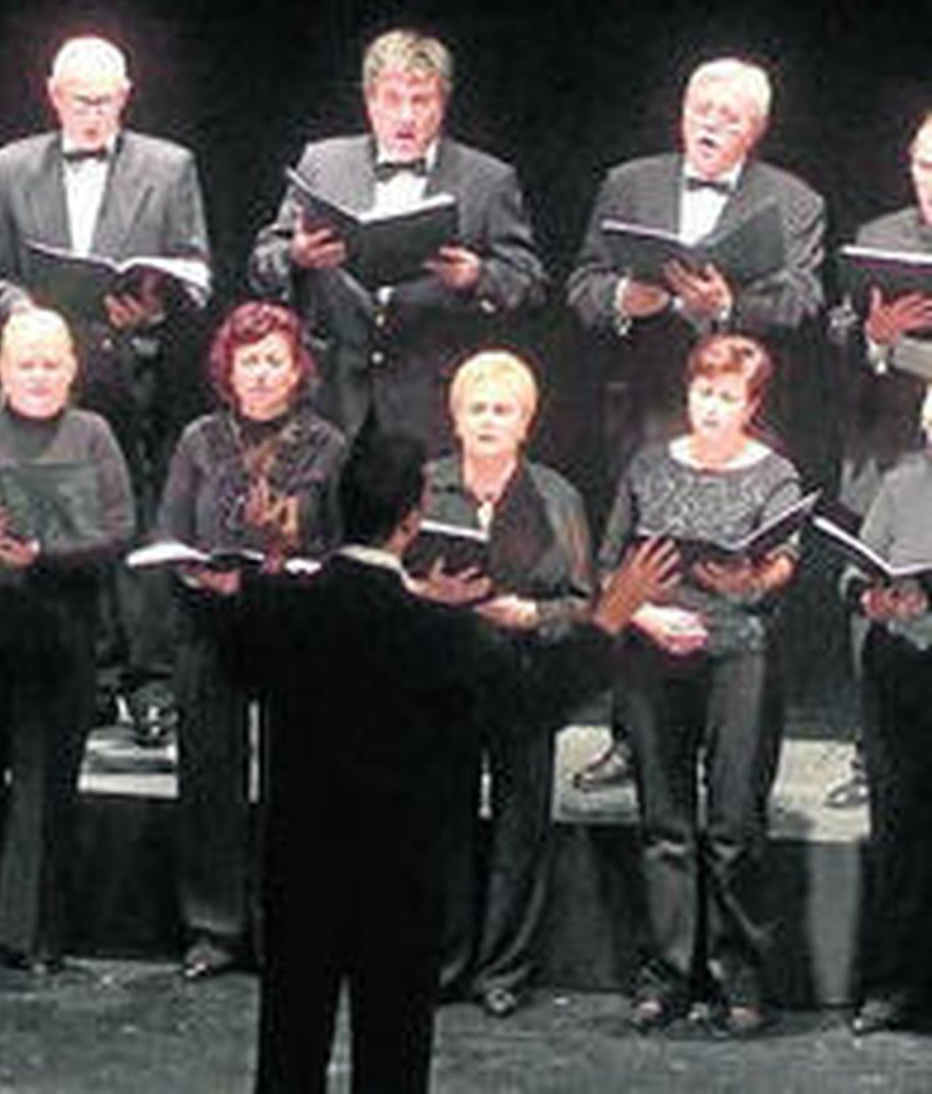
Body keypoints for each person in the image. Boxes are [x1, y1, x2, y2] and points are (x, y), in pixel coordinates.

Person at [187, 430, 677, 1093]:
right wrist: (608, 619)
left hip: (299, 860)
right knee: (393, 1053)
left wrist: (272, 554)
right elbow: (530, 705)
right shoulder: (445, 635)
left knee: (289, 1046)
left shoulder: (281, 607)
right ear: (414, 517)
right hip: (402, 869)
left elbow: (239, 644)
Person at [566, 56, 825, 793]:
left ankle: (734, 739)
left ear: (757, 129)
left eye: (730, 115)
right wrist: (629, 297)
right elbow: (582, 286)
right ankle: (630, 734)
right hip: (648, 404)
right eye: (701, 108)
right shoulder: (630, 183)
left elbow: (803, 300)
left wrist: (725, 310)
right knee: (639, 567)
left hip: (743, 411)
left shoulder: (793, 199)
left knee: (739, 568)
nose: (710, 122)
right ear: (681, 110)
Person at [0, 35, 211, 746]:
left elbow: (198, 271)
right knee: (55, 523)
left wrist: (155, 302)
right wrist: (29, 314)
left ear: (126, 95)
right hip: (47, 376)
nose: (93, 112)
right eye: (81, 99)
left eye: (106, 100)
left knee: (134, 521)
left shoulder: (169, 166)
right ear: (53, 94)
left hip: (133, 375)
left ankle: (149, 684)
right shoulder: (13, 165)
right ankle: (85, 676)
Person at [0, 308, 135, 972]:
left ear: (71, 370)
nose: (37, 375)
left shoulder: (92, 434)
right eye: (24, 363)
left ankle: (33, 933)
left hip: (56, 633)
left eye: (50, 363)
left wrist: (43, 554)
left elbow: (119, 532)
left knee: (44, 785)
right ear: (1, 370)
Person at [600, 334, 804, 1035]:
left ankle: (738, 975)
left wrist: (752, 577)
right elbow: (609, 566)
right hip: (656, 651)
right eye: (702, 392)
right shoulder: (649, 465)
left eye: (727, 397)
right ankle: (666, 974)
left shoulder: (773, 471)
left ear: (752, 404)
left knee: (734, 823)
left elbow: (782, 564)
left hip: (738, 653)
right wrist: (648, 614)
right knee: (664, 820)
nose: (711, 407)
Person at [152, 301, 347, 981]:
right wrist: (198, 572)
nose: (261, 374)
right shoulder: (199, 439)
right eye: (249, 361)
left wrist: (290, 565)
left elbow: (340, 546)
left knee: (296, 783)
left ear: (297, 371)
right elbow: (168, 533)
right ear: (227, 371)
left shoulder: (327, 445)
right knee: (210, 776)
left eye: (274, 361)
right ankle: (213, 927)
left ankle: (287, 925)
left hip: (297, 630)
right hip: (213, 626)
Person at [249, 26, 547, 458]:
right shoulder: (323, 163)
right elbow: (262, 263)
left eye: (421, 101)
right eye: (392, 100)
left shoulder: (488, 179)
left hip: (430, 403)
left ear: (442, 102)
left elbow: (529, 282)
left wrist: (477, 277)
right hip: (330, 398)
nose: (406, 116)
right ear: (370, 102)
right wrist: (296, 257)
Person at [426, 350, 593, 1017]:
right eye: (477, 409)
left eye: (503, 410)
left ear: (526, 423)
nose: (489, 421)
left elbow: (583, 601)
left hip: (525, 676)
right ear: (456, 418)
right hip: (445, 676)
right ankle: (443, 961)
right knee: (442, 823)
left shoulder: (556, 496)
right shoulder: (427, 484)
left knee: (521, 824)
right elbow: (387, 576)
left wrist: (531, 614)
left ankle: (503, 970)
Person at [824, 111, 932, 809]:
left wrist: (905, 356)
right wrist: (873, 338)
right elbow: (837, 331)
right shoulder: (881, 237)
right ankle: (874, 753)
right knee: (877, 596)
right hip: (887, 450)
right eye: (924, 168)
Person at [841, 382, 932, 1035]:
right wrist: (874, 599)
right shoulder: (901, 485)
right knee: (899, 835)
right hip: (901, 677)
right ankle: (891, 986)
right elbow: (852, 574)